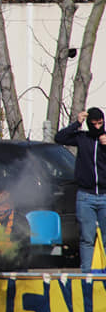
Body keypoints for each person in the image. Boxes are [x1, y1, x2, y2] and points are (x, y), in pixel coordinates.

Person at [55, 107, 106, 272]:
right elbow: (60, 137)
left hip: (105, 195)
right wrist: (77, 123)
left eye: (100, 123)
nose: (98, 127)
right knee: (87, 237)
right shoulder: (82, 138)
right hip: (85, 196)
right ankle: (86, 274)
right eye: (94, 124)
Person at [0, 190, 31, 272]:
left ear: (9, 205)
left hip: (17, 268)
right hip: (1, 268)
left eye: (1, 205)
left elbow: (7, 247)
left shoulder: (19, 220)